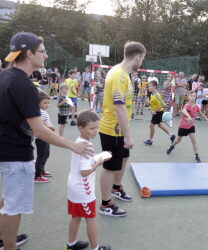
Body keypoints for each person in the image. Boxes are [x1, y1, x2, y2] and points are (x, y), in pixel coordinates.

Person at [0, 32, 92, 250]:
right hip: (16, 155)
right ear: (29, 53)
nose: (46, 55)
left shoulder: (5, 76)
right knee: (13, 206)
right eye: (42, 51)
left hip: (5, 150)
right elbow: (39, 130)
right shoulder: (23, 85)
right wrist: (73, 145)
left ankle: (4, 238)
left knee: (8, 199)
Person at [98, 41, 146, 217]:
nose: (142, 62)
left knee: (124, 158)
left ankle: (116, 188)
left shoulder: (124, 74)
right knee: (110, 166)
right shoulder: (118, 75)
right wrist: (127, 136)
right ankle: (105, 204)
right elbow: (119, 108)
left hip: (117, 128)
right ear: (138, 57)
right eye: (143, 58)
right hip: (113, 129)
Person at [65, 110, 111, 250]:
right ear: (81, 127)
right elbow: (85, 171)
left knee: (76, 216)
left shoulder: (79, 142)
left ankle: (71, 244)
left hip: (74, 186)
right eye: (92, 128)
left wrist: (97, 157)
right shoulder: (87, 145)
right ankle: (95, 248)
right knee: (90, 219)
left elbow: (85, 162)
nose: (95, 131)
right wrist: (99, 161)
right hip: (83, 189)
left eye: (97, 127)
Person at [166, 91, 208, 163]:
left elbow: (200, 113)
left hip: (191, 126)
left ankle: (196, 156)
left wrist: (206, 119)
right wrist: (189, 116)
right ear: (188, 97)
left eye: (194, 96)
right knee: (178, 140)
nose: (193, 97)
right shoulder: (187, 105)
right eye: (191, 96)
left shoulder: (196, 106)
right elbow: (183, 110)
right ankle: (172, 146)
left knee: (194, 140)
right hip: (183, 126)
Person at [143, 81, 176, 145]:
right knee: (160, 125)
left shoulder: (156, 95)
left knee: (151, 125)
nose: (149, 87)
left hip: (158, 112)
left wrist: (154, 111)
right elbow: (153, 102)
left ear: (154, 87)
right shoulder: (152, 93)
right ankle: (171, 136)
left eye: (150, 86)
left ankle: (151, 140)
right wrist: (148, 102)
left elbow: (163, 105)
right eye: (148, 86)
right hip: (157, 112)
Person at [34, 92, 55, 183]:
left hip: (46, 137)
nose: (47, 105)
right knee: (42, 156)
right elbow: (40, 125)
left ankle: (41, 170)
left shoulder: (43, 111)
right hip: (41, 138)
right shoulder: (39, 112)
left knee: (46, 154)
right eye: (45, 103)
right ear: (38, 103)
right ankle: (37, 176)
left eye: (48, 103)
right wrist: (51, 127)